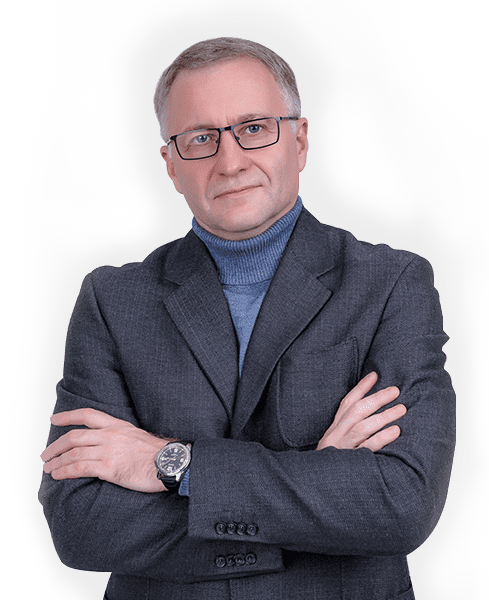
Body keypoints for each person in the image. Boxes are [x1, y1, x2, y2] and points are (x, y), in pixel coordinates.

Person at [39, 37, 455, 600]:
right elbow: (81, 525)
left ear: (299, 141)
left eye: (254, 128)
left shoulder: (390, 285)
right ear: (170, 165)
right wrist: (318, 490)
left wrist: (172, 464)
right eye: (200, 139)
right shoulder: (113, 301)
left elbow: (403, 502)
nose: (230, 162)